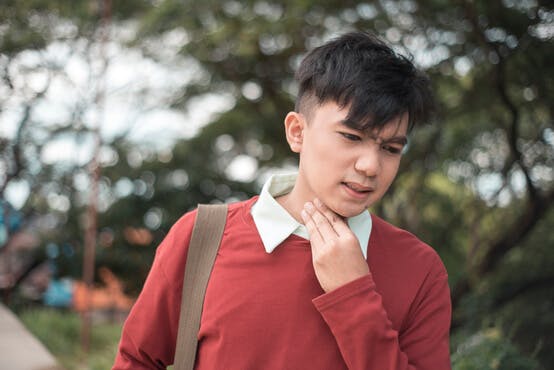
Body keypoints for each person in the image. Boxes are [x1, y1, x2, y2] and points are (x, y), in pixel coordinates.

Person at [112, 31, 451, 370]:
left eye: (391, 148)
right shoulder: (201, 236)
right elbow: (136, 359)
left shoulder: (420, 269)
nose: (370, 166)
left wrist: (353, 294)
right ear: (297, 132)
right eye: (351, 137)